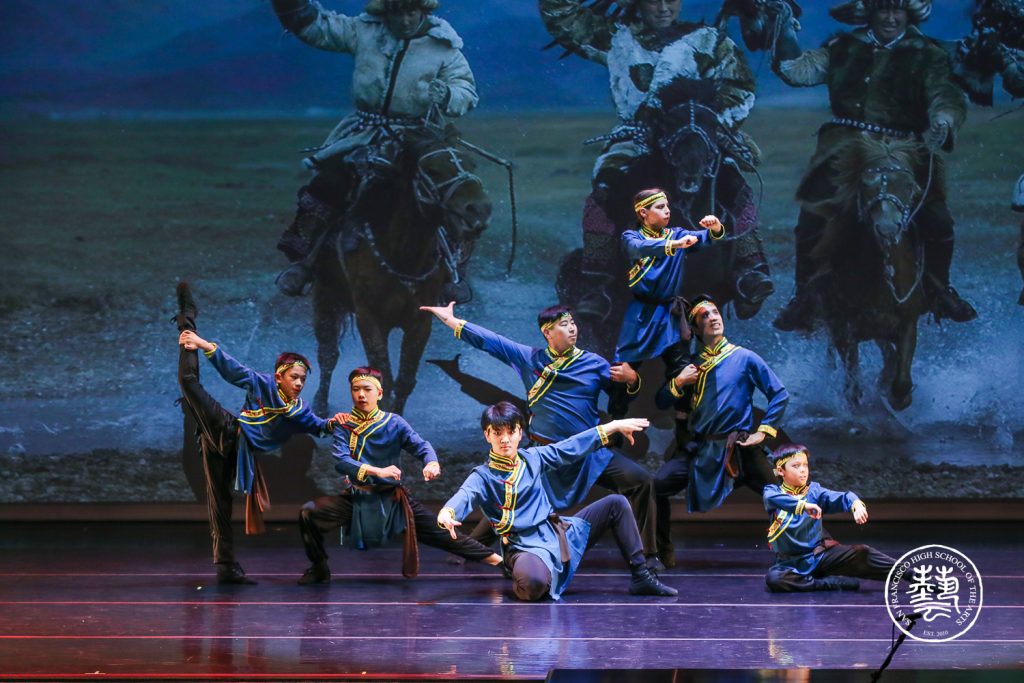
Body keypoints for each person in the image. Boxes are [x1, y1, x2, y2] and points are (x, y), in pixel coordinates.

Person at [539, 0, 774, 320]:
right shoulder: (616, 37)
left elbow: (740, 88)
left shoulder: (710, 40)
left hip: (698, 137)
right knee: (604, 190)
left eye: (671, 0)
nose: (663, 8)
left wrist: (707, 123)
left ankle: (750, 268)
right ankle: (598, 281)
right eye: (653, 1)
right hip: (637, 138)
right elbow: (563, 17)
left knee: (735, 186)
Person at [767, 0, 976, 330]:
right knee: (811, 218)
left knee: (937, 219)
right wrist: (785, 29)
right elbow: (797, 71)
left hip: (904, 149)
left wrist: (944, 120)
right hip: (844, 149)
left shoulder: (928, 53)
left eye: (897, 11)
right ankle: (804, 296)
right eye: (883, 10)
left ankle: (939, 290)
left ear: (908, 14)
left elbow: (945, 95)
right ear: (871, 13)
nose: (890, 18)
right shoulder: (842, 47)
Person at [270, 0, 481, 302]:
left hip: (420, 135)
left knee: (451, 190)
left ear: (423, 11)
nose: (405, 20)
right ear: (386, 12)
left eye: (411, 12)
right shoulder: (364, 31)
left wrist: (448, 94)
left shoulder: (444, 46)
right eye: (398, 12)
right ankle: (306, 262)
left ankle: (452, 270)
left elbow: (466, 91)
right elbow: (320, 28)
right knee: (329, 183)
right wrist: (290, 6)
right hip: (364, 133)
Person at [420, 302, 664, 563]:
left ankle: (649, 556)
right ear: (547, 332)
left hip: (589, 453)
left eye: (573, 323)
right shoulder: (531, 359)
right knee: (512, 497)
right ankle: (470, 548)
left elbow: (619, 403)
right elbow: (491, 341)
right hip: (545, 456)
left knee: (641, 481)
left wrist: (632, 381)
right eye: (564, 325)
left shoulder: (594, 364)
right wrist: (451, 320)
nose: (572, 329)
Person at [174, 282, 340, 584]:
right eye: (294, 377)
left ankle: (226, 567)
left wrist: (339, 422)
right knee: (189, 383)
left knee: (220, 503)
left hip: (237, 454)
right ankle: (187, 321)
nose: (299, 383)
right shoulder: (263, 383)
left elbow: (320, 426)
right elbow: (233, 370)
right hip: (228, 430)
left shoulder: (300, 412)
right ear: (279, 377)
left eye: (303, 379)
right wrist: (201, 343)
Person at [438, 402, 676, 600]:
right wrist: (448, 512)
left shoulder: (533, 458)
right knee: (532, 586)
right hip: (523, 547)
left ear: (520, 433)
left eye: (511, 432)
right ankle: (524, 570)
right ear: (487, 435)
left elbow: (571, 448)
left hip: (557, 534)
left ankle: (641, 576)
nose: (505, 439)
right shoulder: (482, 476)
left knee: (617, 503)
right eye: (498, 433)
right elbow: (465, 495)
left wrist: (612, 426)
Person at [296, 367, 501, 584]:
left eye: (367, 389)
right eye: (356, 389)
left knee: (443, 535)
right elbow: (342, 462)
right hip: (358, 499)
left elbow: (421, 446)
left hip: (392, 500)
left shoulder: (393, 423)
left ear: (379, 393)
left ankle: (504, 563)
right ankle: (319, 567)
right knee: (309, 513)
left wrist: (431, 462)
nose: (361, 394)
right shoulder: (344, 425)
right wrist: (378, 470)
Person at [652, 294, 787, 565]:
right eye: (705, 315)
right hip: (702, 449)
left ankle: (809, 552)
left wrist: (763, 432)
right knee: (656, 486)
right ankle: (659, 550)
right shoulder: (691, 366)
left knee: (783, 498)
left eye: (715, 312)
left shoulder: (744, 357)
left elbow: (779, 394)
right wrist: (678, 382)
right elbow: (661, 401)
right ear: (695, 329)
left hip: (739, 448)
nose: (713, 317)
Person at [608, 189, 723, 413]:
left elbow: (704, 237)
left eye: (667, 206)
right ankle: (616, 421)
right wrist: (675, 245)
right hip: (642, 315)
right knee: (621, 371)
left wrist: (715, 227)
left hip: (671, 315)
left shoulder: (676, 234)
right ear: (643, 213)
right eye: (660, 207)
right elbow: (638, 249)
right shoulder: (632, 237)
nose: (667, 211)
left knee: (684, 370)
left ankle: (683, 423)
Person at [763, 443, 896, 592]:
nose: (803, 470)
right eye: (796, 466)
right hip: (790, 563)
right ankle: (830, 583)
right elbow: (772, 497)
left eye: (805, 465)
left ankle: (909, 574)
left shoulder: (814, 491)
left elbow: (843, 497)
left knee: (862, 552)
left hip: (819, 557)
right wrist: (803, 506)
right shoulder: (773, 492)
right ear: (781, 471)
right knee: (774, 579)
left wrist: (856, 504)